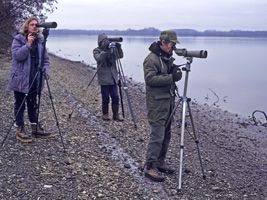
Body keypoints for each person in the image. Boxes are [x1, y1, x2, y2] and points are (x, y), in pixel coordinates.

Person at [143, 30, 182, 182]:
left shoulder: (166, 58)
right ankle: (150, 166)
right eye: (171, 45)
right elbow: (150, 79)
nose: (172, 48)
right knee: (157, 136)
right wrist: (171, 77)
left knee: (166, 134)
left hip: (168, 101)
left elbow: (169, 74)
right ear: (163, 43)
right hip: (157, 103)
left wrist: (175, 71)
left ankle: (160, 162)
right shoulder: (151, 59)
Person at [8, 16, 51, 143]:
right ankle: (20, 128)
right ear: (27, 26)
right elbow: (17, 56)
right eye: (32, 24)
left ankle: (35, 127)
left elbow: (46, 60)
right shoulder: (18, 39)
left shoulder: (41, 41)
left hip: (35, 79)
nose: (34, 27)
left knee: (33, 104)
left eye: (36, 25)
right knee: (20, 104)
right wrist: (28, 44)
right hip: (21, 79)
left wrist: (45, 72)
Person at [93, 33, 124, 121]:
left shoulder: (112, 50)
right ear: (100, 42)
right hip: (104, 79)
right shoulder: (96, 50)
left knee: (115, 97)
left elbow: (120, 56)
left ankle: (116, 115)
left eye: (107, 40)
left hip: (113, 78)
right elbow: (99, 59)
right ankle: (105, 114)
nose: (106, 42)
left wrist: (118, 47)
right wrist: (105, 51)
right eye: (104, 41)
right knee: (105, 98)